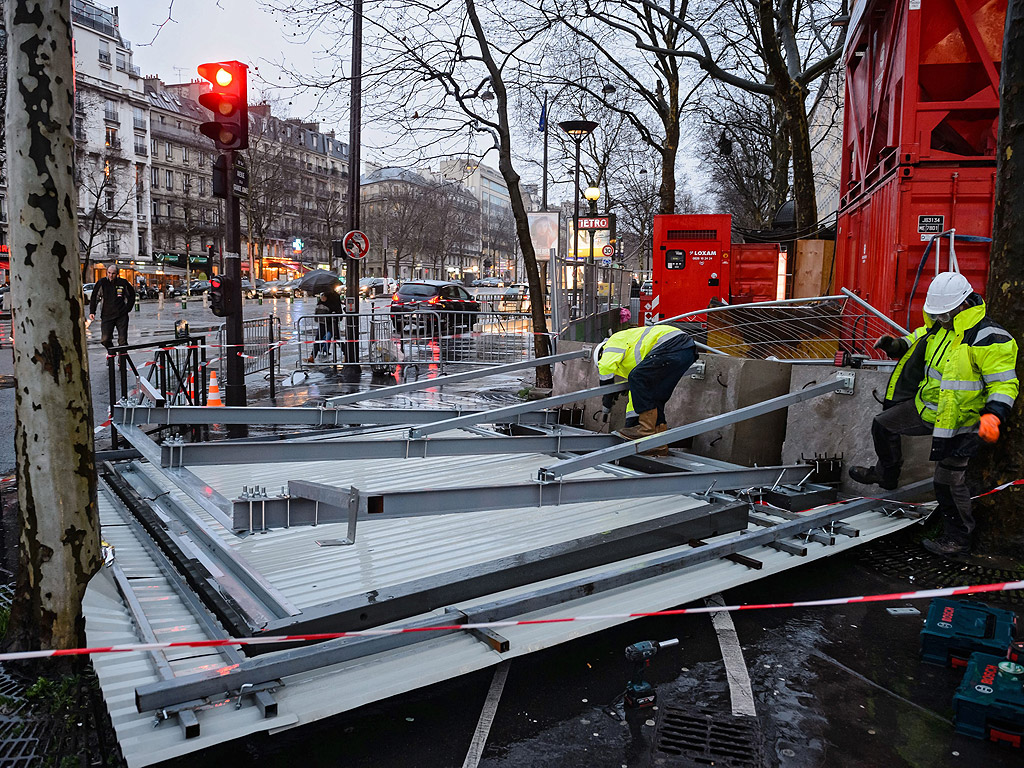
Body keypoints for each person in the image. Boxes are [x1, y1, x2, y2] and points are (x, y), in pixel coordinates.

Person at [849, 271, 1018, 556]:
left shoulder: (990, 337)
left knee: (948, 481)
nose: (940, 319)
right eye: (937, 315)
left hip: (960, 423)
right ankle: (886, 475)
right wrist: (894, 345)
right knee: (883, 425)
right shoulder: (939, 328)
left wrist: (994, 415)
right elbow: (915, 341)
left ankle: (958, 540)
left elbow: (1004, 383)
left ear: (963, 304)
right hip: (925, 409)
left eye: (945, 314)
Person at [596, 322, 698, 454]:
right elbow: (638, 396)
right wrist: (630, 425)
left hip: (671, 343)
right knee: (655, 396)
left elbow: (605, 367)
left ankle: (646, 430)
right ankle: (658, 444)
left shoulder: (613, 342)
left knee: (637, 377)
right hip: (686, 351)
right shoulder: (635, 362)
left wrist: (607, 398)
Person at [89, 264, 136, 349]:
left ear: (117, 274)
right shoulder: (102, 282)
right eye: (109, 273)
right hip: (107, 315)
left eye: (113, 273)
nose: (111, 275)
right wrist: (92, 311)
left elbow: (132, 295)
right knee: (105, 339)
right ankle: (112, 353)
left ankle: (121, 360)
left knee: (123, 341)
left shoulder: (123, 283)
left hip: (121, 315)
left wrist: (128, 308)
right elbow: (94, 297)